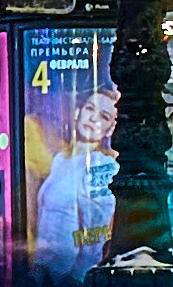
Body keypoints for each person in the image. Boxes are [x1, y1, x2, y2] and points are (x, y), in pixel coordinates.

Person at [30, 86, 117, 275]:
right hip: (43, 270)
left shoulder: (102, 164)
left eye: (104, 116)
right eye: (90, 108)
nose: (93, 118)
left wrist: (78, 278)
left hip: (69, 275)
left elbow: (96, 234)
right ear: (78, 112)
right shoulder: (60, 160)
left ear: (110, 129)